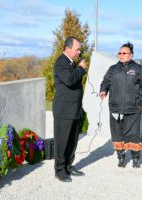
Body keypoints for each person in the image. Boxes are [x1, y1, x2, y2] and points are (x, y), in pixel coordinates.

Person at [99, 42, 142, 168]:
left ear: (131, 55)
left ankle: (136, 159)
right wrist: (103, 90)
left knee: (133, 135)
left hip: (133, 109)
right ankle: (121, 157)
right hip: (115, 108)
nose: (121, 55)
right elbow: (105, 82)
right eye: (119, 53)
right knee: (117, 134)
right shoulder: (113, 69)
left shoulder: (138, 69)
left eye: (124, 53)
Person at [53, 36, 87, 182]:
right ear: (67, 48)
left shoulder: (72, 63)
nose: (79, 52)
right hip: (64, 110)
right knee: (62, 141)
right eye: (77, 49)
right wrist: (81, 68)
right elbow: (69, 79)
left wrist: (78, 68)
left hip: (74, 109)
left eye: (79, 49)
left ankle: (68, 166)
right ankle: (60, 170)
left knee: (72, 141)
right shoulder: (61, 62)